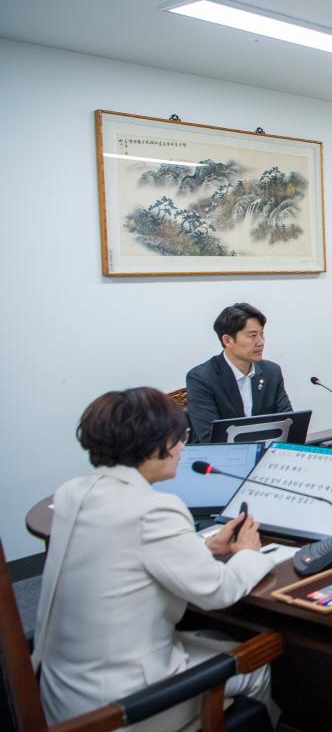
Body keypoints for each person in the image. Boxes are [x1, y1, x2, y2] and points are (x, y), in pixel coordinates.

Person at [32, 388, 278, 729]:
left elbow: (122, 554)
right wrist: (250, 551)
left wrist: (204, 549)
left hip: (61, 695)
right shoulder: (154, 509)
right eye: (181, 438)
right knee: (255, 662)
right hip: (121, 709)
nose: (183, 448)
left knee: (216, 639)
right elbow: (218, 593)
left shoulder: (72, 493)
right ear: (156, 445)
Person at [185, 302, 293, 443]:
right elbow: (209, 438)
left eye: (262, 334)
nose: (260, 342)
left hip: (266, 453)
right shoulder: (201, 378)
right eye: (252, 335)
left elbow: (289, 422)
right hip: (220, 458)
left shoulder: (271, 372)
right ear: (228, 340)